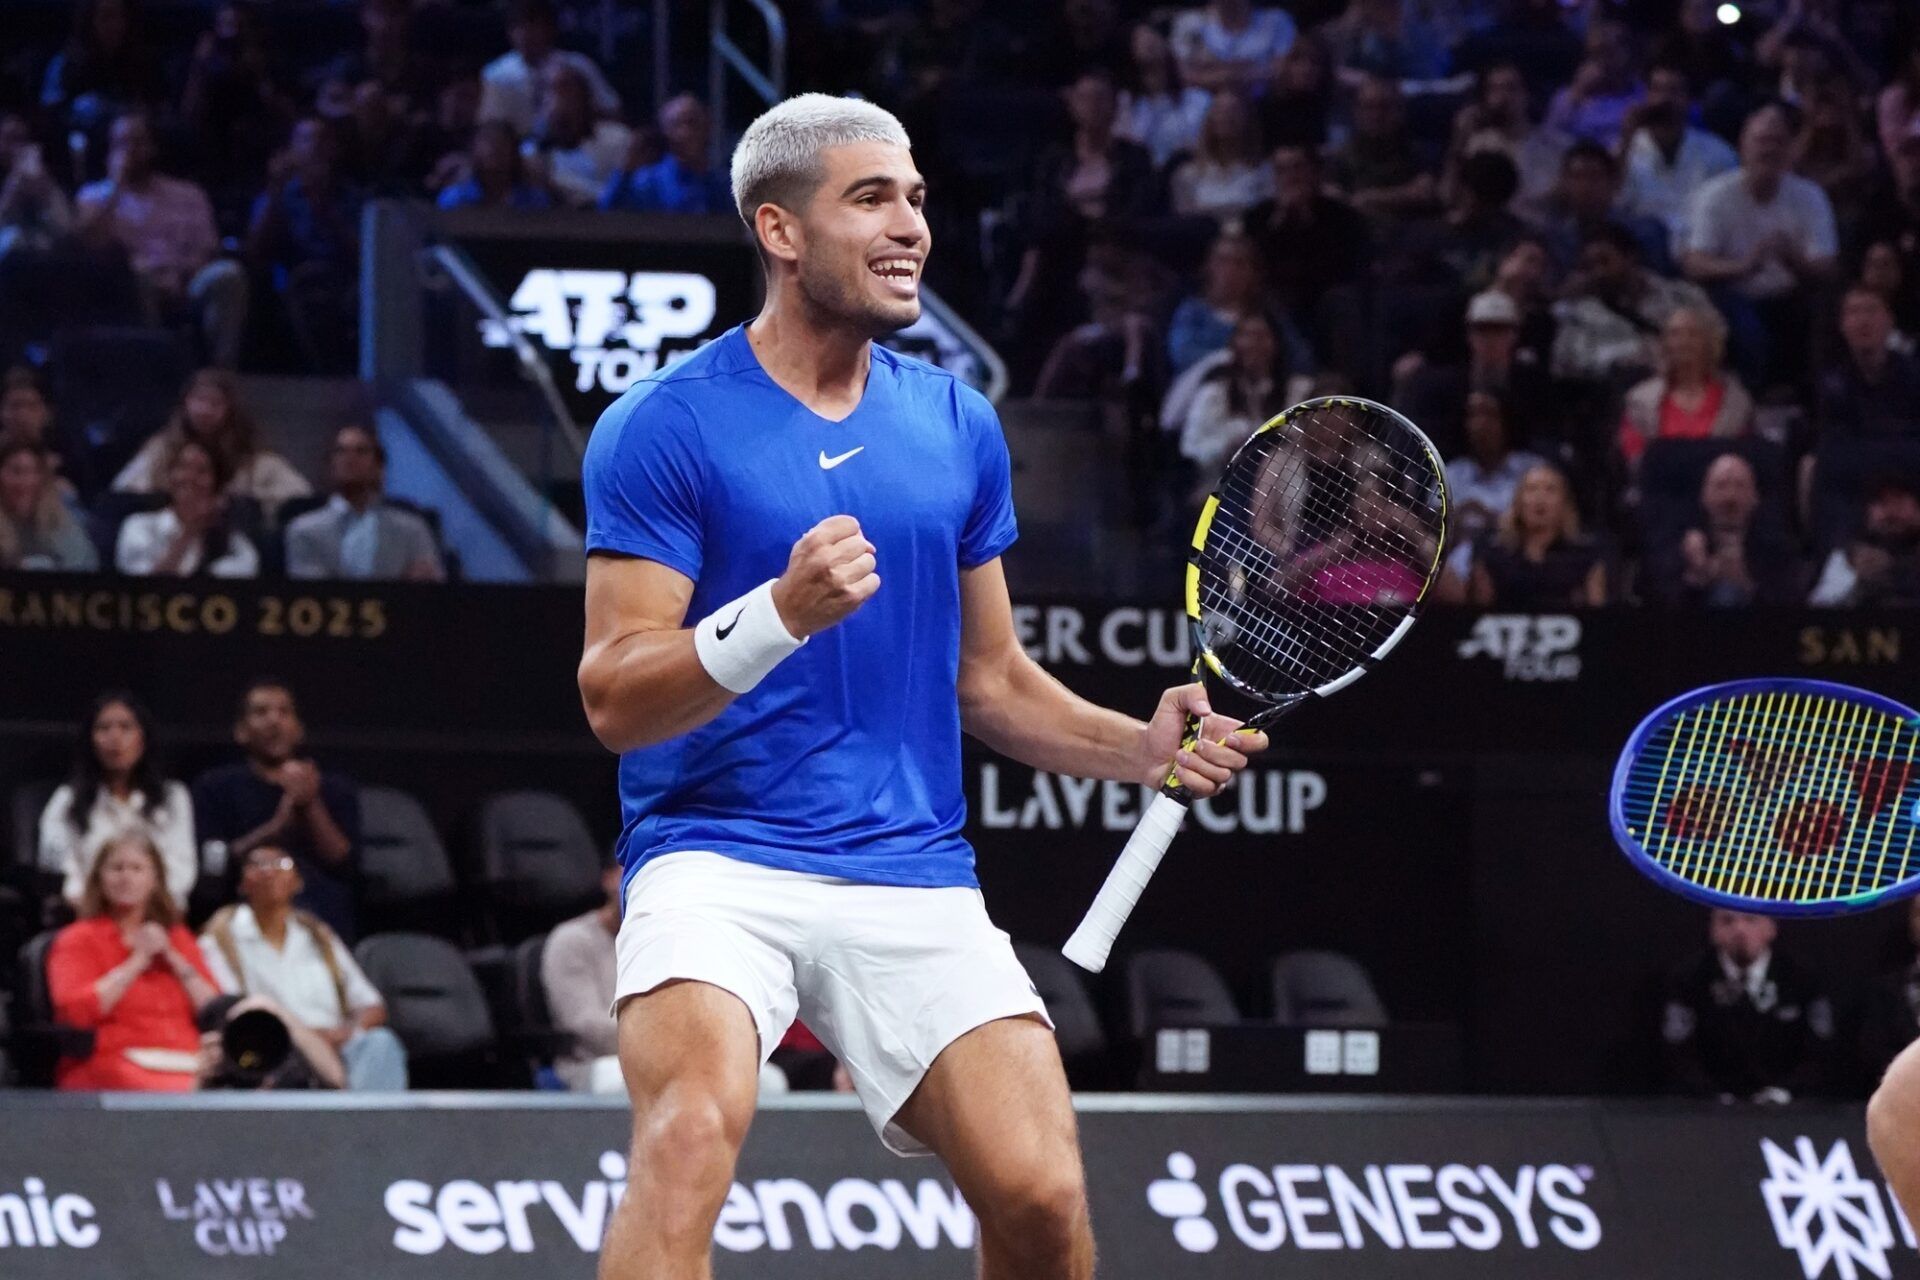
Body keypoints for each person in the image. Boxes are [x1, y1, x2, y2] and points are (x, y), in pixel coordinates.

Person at [577, 93, 1269, 1280]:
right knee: (690, 1130)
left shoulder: (955, 422)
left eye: (915, 199)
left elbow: (991, 680)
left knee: (1042, 1197)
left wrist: (1140, 748)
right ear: (780, 231)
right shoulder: (663, 426)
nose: (911, 227)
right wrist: (773, 617)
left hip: (908, 865)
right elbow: (614, 695)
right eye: (871, 199)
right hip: (714, 852)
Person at [201, 844, 406, 1091]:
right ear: (242, 884)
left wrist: (346, 1033)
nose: (270, 872)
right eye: (257, 865)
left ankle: (362, 1125)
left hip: (336, 1046)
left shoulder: (319, 936)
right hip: (275, 1049)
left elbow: (371, 1006)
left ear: (297, 882)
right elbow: (230, 1009)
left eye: (281, 865)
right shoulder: (221, 937)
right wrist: (306, 1038)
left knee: (380, 1043)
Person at [46, 833, 220, 1091]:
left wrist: (172, 956)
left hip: (186, 1058)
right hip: (112, 1061)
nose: (126, 877)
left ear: (154, 879)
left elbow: (214, 1010)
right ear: (100, 879)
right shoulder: (77, 939)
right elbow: (74, 1013)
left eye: (137, 869)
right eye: (117, 868)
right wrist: (137, 961)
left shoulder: (178, 938)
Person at [74, 112, 248, 370]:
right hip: (131, 283)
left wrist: (181, 274)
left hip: (186, 279)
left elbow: (208, 248)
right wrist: (116, 187)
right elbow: (87, 245)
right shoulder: (94, 196)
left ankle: (220, 375)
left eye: (137, 142)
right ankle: (152, 369)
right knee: (140, 276)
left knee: (228, 274)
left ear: (152, 148)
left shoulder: (188, 193)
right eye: (121, 143)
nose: (130, 151)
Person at [1682, 104, 1838, 390]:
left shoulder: (1810, 195)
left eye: (1777, 142)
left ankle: (1810, 407)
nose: (1769, 150)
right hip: (1733, 292)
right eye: (1761, 141)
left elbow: (1826, 265)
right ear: (1743, 146)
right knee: (1744, 325)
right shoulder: (1715, 195)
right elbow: (1694, 262)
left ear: (1791, 149)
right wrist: (1744, 266)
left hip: (1790, 293)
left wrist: (1793, 258)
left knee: (1823, 308)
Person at [193, 679, 360, 941]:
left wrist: (310, 803)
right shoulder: (215, 786)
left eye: (284, 712)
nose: (274, 721)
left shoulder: (333, 788)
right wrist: (275, 829)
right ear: (241, 731)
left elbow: (344, 864)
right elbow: (215, 863)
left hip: (318, 915)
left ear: (299, 729)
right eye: (261, 713)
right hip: (242, 910)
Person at [40, 692, 194, 909]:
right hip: (87, 913)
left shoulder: (173, 797)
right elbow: (60, 869)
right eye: (104, 728)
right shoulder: (68, 799)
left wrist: (141, 910)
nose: (115, 737)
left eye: (126, 727)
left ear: (143, 738)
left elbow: (181, 869)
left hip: (156, 914)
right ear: (90, 740)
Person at [1661, 908, 1833, 1103]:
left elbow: (1820, 1049)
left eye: (1751, 919)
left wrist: (1783, 1093)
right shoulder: (1688, 979)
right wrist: (1713, 1097)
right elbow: (1677, 1051)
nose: (1739, 930)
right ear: (1713, 931)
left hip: (1789, 1109)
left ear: (1771, 928)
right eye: (1727, 921)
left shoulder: (1801, 977)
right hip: (1709, 1110)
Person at [113, 369, 311, 511]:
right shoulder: (160, 450)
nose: (205, 410)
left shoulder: (255, 459)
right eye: (199, 400)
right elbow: (123, 492)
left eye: (215, 403)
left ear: (230, 410)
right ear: (186, 403)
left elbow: (300, 496)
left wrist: (242, 504)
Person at [1551, 223, 1712, 390]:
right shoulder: (1581, 316)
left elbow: (1716, 336)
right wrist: (1628, 359)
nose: (1598, 272)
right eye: (1590, 266)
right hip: (1619, 397)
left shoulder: (1682, 296)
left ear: (1630, 257)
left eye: (1604, 261)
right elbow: (1566, 365)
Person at [286, 423, 443, 581]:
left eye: (361, 451)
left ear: (378, 466)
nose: (350, 459)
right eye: (341, 451)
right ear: (330, 465)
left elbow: (429, 586)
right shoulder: (303, 530)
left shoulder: (412, 529)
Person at [1647, 452, 1801, 607]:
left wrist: (1747, 583)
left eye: (1740, 486)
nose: (1730, 497)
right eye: (1721, 486)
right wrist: (1695, 577)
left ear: (1755, 498)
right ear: (1704, 496)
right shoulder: (1678, 540)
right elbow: (1657, 595)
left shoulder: (1775, 544)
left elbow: (1790, 599)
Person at [1616, 63, 1737, 253]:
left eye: (1674, 91)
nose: (1665, 99)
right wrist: (1626, 140)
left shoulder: (1718, 152)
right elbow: (1615, 204)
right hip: (1644, 252)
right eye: (1657, 90)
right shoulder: (1625, 150)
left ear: (1689, 100)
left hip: (1701, 251)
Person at [1617, 306, 1753, 467]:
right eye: (1675, 334)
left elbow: (1745, 458)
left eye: (1693, 334)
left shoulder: (1736, 401)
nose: (1684, 342)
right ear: (1664, 343)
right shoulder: (1639, 400)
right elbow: (1635, 460)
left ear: (1709, 343)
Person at [114, 438, 261, 579]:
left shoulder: (234, 543)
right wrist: (188, 533)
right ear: (169, 476)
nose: (190, 477)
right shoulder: (139, 526)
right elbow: (143, 589)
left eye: (202, 470)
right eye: (182, 467)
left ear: (216, 484)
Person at [1178, 310, 1290, 496]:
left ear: (1275, 343)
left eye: (1261, 336)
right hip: (1222, 486)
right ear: (1234, 343)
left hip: (1279, 490)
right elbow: (1190, 446)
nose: (1254, 344)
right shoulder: (1214, 392)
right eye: (1246, 336)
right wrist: (1229, 443)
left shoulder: (1297, 389)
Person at [1468, 463, 1606, 606]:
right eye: (1531, 489)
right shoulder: (1491, 553)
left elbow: (1597, 616)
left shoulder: (1585, 556)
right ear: (1518, 502)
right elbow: (1477, 613)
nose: (1540, 498)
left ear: (1565, 503)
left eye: (1550, 490)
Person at [1445, 61, 1567, 223]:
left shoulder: (1556, 145)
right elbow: (1449, 197)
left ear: (1526, 94)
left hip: (1539, 233)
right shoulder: (1476, 144)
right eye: (1494, 89)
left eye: (1511, 88)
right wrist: (1459, 140)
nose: (1503, 97)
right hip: (1489, 233)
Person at [478, 0, 619, 138]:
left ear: (550, 28)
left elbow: (611, 110)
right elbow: (489, 126)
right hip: (518, 151)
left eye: (532, 25)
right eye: (517, 27)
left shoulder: (578, 65)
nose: (524, 34)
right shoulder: (495, 74)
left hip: (575, 145)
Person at [1443, 389, 1543, 575]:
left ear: (1507, 420)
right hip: (1457, 574)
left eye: (1489, 414)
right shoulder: (1449, 474)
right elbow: (1432, 536)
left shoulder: (1533, 471)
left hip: (1518, 569)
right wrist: (1456, 520)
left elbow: (1546, 526)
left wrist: (1491, 520)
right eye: (1473, 415)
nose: (1481, 424)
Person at [542, 859, 620, 1092]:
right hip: (590, 1065)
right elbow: (587, 1027)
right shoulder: (571, 940)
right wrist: (666, 1038)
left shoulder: (664, 942)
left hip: (661, 1055)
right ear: (609, 879)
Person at [1814, 288, 1920, 440]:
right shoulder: (1832, 386)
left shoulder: (1914, 377)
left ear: (1890, 320)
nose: (1863, 321)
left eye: (1871, 310)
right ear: (1842, 325)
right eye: (1854, 312)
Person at [1329, 75, 1437, 223]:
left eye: (1384, 107)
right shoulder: (1342, 156)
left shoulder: (1418, 151)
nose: (1376, 115)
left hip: (1409, 231)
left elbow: (1425, 193)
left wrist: (1372, 198)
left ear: (1400, 110)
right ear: (1356, 112)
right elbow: (1332, 194)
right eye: (1368, 107)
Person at [600, 94, 730, 215]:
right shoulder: (648, 182)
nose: (685, 132)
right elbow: (607, 212)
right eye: (676, 125)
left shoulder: (722, 184)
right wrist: (626, 170)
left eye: (692, 122)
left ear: (707, 127)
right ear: (664, 132)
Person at [1165, 229, 1267, 375]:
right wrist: (1235, 358)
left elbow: (1297, 358)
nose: (1230, 270)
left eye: (1239, 263)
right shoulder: (1193, 312)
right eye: (1223, 261)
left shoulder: (1264, 315)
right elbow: (1182, 354)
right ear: (1209, 266)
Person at [1808, 476, 1920, 608]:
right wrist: (1854, 577)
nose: (1891, 512)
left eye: (1899, 501)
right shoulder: (1846, 557)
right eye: (1881, 503)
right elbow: (1819, 607)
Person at [532, 62, 631, 208]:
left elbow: (625, 196)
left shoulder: (618, 139)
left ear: (585, 97)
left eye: (565, 89)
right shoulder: (531, 153)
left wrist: (558, 185)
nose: (557, 100)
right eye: (549, 91)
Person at [1117, 23, 1210, 170]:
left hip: (1189, 172)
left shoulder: (1198, 100)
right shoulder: (1126, 104)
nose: (1147, 45)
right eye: (1139, 42)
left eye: (1152, 41)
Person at [1168, 91, 1270, 221]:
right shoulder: (1186, 175)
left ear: (1247, 119)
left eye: (1233, 110)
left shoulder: (1264, 172)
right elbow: (1185, 222)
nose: (1225, 116)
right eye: (1219, 111)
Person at [1542, 18, 1643, 148]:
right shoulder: (1567, 96)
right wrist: (1577, 93)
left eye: (1610, 52)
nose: (1603, 62)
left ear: (1628, 54)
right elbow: (1548, 138)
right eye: (1596, 54)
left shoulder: (1641, 95)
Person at [0, 442, 96, 571]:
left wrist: (30, 565)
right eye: (17, 472)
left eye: (34, 472)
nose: (26, 481)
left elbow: (83, 568)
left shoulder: (61, 520)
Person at [1169, 0, 1296, 93]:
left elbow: (1282, 71)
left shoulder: (1277, 21)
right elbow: (1183, 75)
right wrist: (1247, 69)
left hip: (1266, 106)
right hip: (1205, 110)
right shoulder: (1189, 23)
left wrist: (1214, 70)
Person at [435, 121, 553, 211]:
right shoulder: (456, 198)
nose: (494, 147)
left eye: (502, 142)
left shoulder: (533, 199)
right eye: (488, 140)